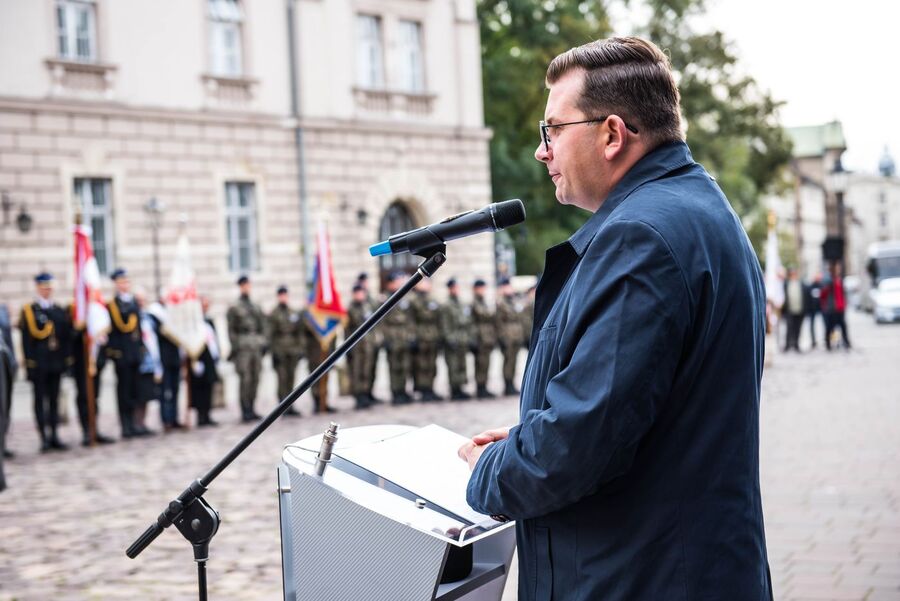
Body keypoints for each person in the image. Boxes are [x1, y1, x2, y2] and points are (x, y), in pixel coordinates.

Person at [458, 37, 772, 600]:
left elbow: (574, 450)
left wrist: (487, 468)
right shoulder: (695, 208)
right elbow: (636, 409)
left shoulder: (640, 237)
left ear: (611, 134)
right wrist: (535, 431)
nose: (541, 151)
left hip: (638, 577)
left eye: (552, 129)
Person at [19, 273, 72, 451]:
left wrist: (66, 361)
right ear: (37, 288)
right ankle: (43, 437)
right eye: (43, 287)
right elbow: (27, 340)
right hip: (39, 364)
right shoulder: (30, 311)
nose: (46, 290)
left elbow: (64, 338)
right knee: (40, 400)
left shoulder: (57, 310)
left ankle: (55, 434)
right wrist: (29, 364)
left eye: (49, 287)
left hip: (55, 363)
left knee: (54, 400)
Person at [105, 268, 144, 438]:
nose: (125, 285)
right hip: (122, 354)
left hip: (135, 353)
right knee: (124, 391)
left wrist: (141, 349)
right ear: (116, 284)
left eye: (127, 282)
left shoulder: (133, 301)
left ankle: (135, 423)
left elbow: (138, 328)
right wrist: (114, 353)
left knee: (135, 390)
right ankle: (125, 425)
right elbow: (117, 329)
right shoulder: (113, 305)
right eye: (121, 282)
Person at [226, 275, 268, 422]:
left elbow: (263, 326)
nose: (246, 287)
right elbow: (231, 330)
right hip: (243, 348)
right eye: (244, 285)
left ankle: (252, 407)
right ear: (240, 286)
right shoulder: (234, 307)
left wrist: (263, 343)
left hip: (255, 346)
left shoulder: (255, 306)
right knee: (245, 379)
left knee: (256, 377)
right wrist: (236, 346)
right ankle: (245, 409)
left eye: (248, 284)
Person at [147, 301, 185, 431]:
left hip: (174, 359)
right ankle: (165, 419)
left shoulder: (173, 315)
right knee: (164, 392)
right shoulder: (155, 316)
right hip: (163, 360)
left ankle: (174, 418)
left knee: (175, 390)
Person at [268, 285, 304, 417]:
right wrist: (273, 352)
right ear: (278, 297)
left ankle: (291, 404)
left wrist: (300, 349)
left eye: (285, 295)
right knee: (282, 379)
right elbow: (270, 335)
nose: (283, 297)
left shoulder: (293, 312)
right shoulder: (274, 314)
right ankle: (282, 406)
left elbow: (299, 332)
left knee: (291, 378)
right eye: (281, 295)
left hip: (292, 351)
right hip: (280, 351)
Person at [380, 271, 414, 404]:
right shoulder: (385, 299)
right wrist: (385, 338)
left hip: (404, 337)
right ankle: (396, 392)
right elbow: (382, 322)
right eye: (397, 281)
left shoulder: (403, 297)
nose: (400, 283)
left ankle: (403, 391)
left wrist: (411, 335)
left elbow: (410, 320)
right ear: (390, 283)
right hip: (392, 338)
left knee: (405, 365)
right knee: (395, 367)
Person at [188, 296, 220, 427]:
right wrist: (194, 360)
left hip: (209, 359)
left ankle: (207, 414)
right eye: (203, 305)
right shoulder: (194, 322)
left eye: (207, 304)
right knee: (199, 390)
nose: (205, 307)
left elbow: (214, 339)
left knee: (209, 388)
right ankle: (200, 416)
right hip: (199, 359)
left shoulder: (209, 321)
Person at [132, 288, 160, 436]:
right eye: (138, 300)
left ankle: (143, 422)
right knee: (138, 396)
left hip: (150, 361)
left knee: (147, 395)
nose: (141, 303)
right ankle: (136, 424)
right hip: (138, 362)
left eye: (143, 300)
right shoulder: (133, 316)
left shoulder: (149, 317)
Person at [346, 283, 378, 409]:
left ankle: (366, 394)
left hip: (367, 344)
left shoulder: (367, 306)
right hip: (356, 346)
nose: (361, 295)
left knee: (367, 370)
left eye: (362, 293)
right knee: (357, 371)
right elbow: (349, 327)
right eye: (358, 293)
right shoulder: (351, 309)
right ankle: (358, 396)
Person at [410, 278, 443, 402]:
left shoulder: (432, 300)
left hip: (432, 336)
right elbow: (412, 320)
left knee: (432, 364)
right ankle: (423, 389)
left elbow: (438, 319)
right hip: (421, 336)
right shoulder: (414, 300)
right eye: (423, 283)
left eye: (428, 283)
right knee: (421, 365)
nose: (426, 285)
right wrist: (413, 336)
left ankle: (430, 388)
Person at [439, 278, 472, 400]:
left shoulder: (462, 304)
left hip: (462, 338)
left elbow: (468, 321)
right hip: (453, 339)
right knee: (453, 365)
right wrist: (449, 338)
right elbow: (445, 324)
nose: (457, 290)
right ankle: (454, 390)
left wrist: (468, 336)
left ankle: (460, 388)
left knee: (461, 364)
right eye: (455, 287)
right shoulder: (446, 305)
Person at [495, 277, 526, 395]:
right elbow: (498, 322)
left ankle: (512, 383)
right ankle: (507, 384)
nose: (510, 289)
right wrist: (502, 338)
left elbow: (520, 318)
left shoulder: (514, 301)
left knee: (514, 361)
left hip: (516, 335)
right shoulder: (500, 303)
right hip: (507, 336)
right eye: (507, 287)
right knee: (508, 361)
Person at [470, 279, 496, 399]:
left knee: (485, 363)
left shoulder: (483, 302)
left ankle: (484, 386)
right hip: (479, 337)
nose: (483, 291)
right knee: (480, 363)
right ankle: (480, 388)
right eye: (481, 288)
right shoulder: (474, 302)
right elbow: (483, 314)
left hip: (487, 337)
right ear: (476, 289)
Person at [820, 263, 851, 350]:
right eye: (837, 269)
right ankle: (828, 343)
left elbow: (842, 293)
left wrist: (844, 304)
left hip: (840, 308)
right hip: (831, 309)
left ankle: (846, 342)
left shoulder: (840, 280)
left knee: (843, 326)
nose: (838, 270)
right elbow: (823, 294)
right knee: (830, 328)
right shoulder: (828, 280)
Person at [0, 303, 17, 458]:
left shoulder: (3, 311)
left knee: (4, 408)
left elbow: (9, 340)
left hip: (4, 364)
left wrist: (13, 363)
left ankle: (2, 444)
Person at [782, 267, 806, 352]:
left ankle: (796, 345)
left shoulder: (801, 283)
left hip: (800, 309)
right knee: (789, 328)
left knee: (798, 329)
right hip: (789, 310)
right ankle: (787, 345)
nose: (793, 275)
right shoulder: (786, 284)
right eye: (792, 273)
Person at [805, 272, 822, 348]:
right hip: (812, 309)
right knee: (812, 326)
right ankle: (813, 341)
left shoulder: (821, 286)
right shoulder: (811, 286)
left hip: (821, 309)